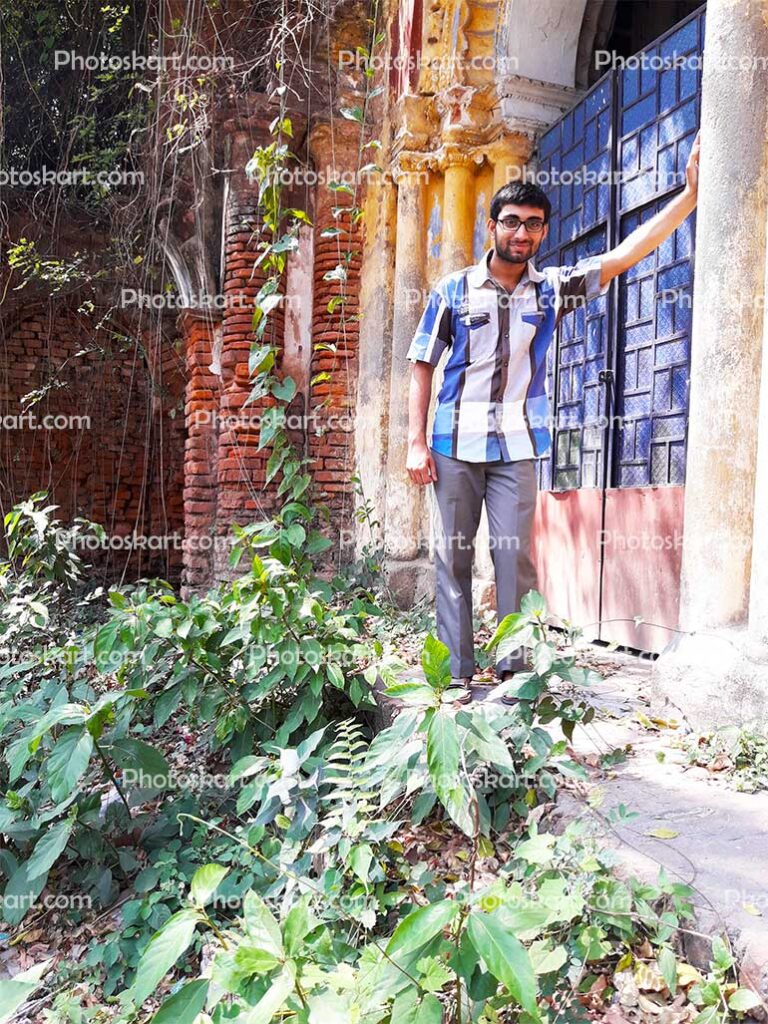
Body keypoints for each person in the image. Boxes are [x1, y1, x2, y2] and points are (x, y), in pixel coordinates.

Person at [406, 132, 700, 704]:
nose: (523, 233)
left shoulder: (551, 290)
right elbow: (422, 363)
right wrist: (416, 442)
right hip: (451, 441)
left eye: (534, 224)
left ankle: (515, 673)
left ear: (543, 232)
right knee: (454, 555)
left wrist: (688, 198)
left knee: (514, 555)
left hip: (518, 443)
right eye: (512, 221)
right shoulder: (453, 290)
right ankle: (456, 675)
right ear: (492, 227)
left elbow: (621, 257)